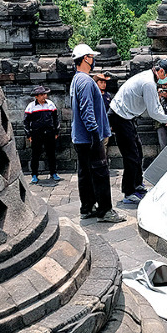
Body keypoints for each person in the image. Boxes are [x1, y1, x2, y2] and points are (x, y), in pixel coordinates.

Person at [108, 59, 167, 206]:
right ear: (161, 71)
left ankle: (137, 185)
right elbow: (154, 112)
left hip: (127, 116)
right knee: (131, 155)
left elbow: (156, 105)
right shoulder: (148, 83)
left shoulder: (151, 80)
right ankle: (129, 192)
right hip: (119, 116)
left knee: (138, 150)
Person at [69, 44, 122, 223]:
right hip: (89, 137)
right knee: (100, 172)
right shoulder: (85, 81)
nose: (93, 60)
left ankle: (87, 207)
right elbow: (86, 110)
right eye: (92, 57)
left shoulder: (77, 79)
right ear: (86, 58)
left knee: (86, 173)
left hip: (80, 137)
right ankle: (105, 211)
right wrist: (94, 135)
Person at [23, 85, 62, 184]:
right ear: (36, 96)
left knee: (51, 154)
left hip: (49, 132)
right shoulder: (31, 106)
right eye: (42, 94)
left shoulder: (50, 104)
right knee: (35, 155)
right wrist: (29, 135)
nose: (44, 96)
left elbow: (56, 119)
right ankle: (34, 175)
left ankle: (53, 172)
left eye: (45, 94)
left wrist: (56, 131)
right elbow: (26, 122)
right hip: (36, 133)